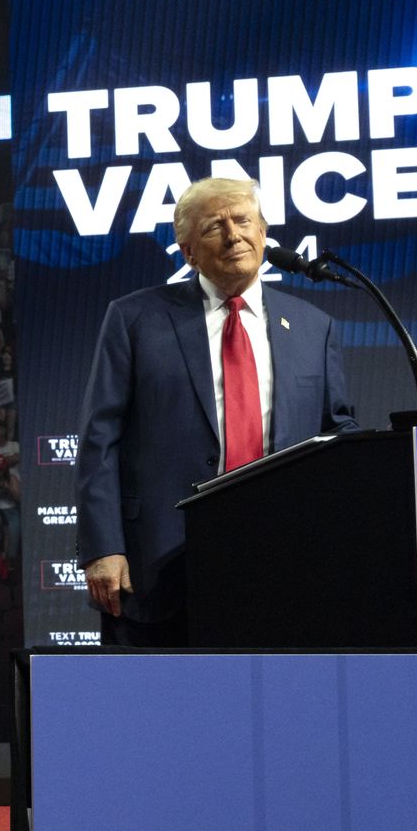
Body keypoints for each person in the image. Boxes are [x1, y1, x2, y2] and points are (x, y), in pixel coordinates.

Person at [76, 177, 357, 646]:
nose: (233, 235)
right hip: (162, 562)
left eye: (244, 220)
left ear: (264, 234)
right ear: (188, 251)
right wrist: (103, 547)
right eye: (214, 226)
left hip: (285, 558)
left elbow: (336, 434)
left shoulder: (314, 327)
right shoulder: (135, 319)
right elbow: (99, 438)